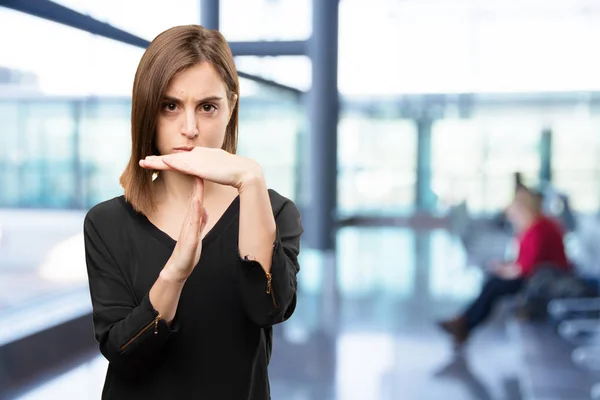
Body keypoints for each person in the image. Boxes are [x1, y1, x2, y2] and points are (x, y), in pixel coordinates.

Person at [84, 25, 303, 399]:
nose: (190, 129)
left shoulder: (275, 210)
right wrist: (175, 273)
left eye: (207, 107)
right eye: (170, 106)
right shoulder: (107, 223)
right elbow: (123, 353)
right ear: (147, 113)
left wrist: (251, 179)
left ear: (231, 107)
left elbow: (270, 309)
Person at [438, 187, 569, 346]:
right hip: (539, 275)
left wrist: (506, 270)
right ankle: (464, 322)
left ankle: (464, 323)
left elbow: (528, 267)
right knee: (493, 282)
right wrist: (505, 267)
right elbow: (525, 261)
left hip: (546, 280)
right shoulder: (534, 226)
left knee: (494, 285)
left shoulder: (539, 228)